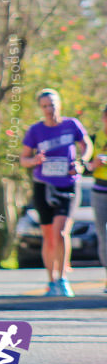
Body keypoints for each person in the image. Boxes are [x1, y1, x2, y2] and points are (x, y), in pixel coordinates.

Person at [20, 89, 91, 297]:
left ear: (59, 104)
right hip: (43, 185)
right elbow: (24, 158)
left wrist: (81, 162)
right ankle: (51, 280)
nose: (49, 109)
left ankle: (62, 277)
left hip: (67, 184)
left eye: (52, 104)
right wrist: (34, 161)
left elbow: (86, 145)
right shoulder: (35, 130)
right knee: (49, 236)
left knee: (61, 232)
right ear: (40, 108)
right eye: (44, 106)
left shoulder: (72, 125)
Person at [86, 104, 107, 293]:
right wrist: (95, 163)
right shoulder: (95, 139)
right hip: (99, 190)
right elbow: (86, 166)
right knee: (103, 235)